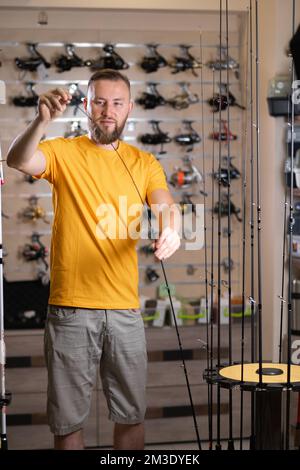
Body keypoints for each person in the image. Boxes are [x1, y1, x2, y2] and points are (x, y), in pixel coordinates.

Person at [6, 69, 181, 450]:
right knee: (68, 423)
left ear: (129, 109)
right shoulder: (63, 152)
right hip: (71, 309)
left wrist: (171, 227)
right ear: (86, 105)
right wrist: (41, 119)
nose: (107, 111)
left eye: (117, 103)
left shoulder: (144, 162)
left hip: (125, 312)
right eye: (99, 101)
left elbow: (165, 203)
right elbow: (17, 159)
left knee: (131, 416)